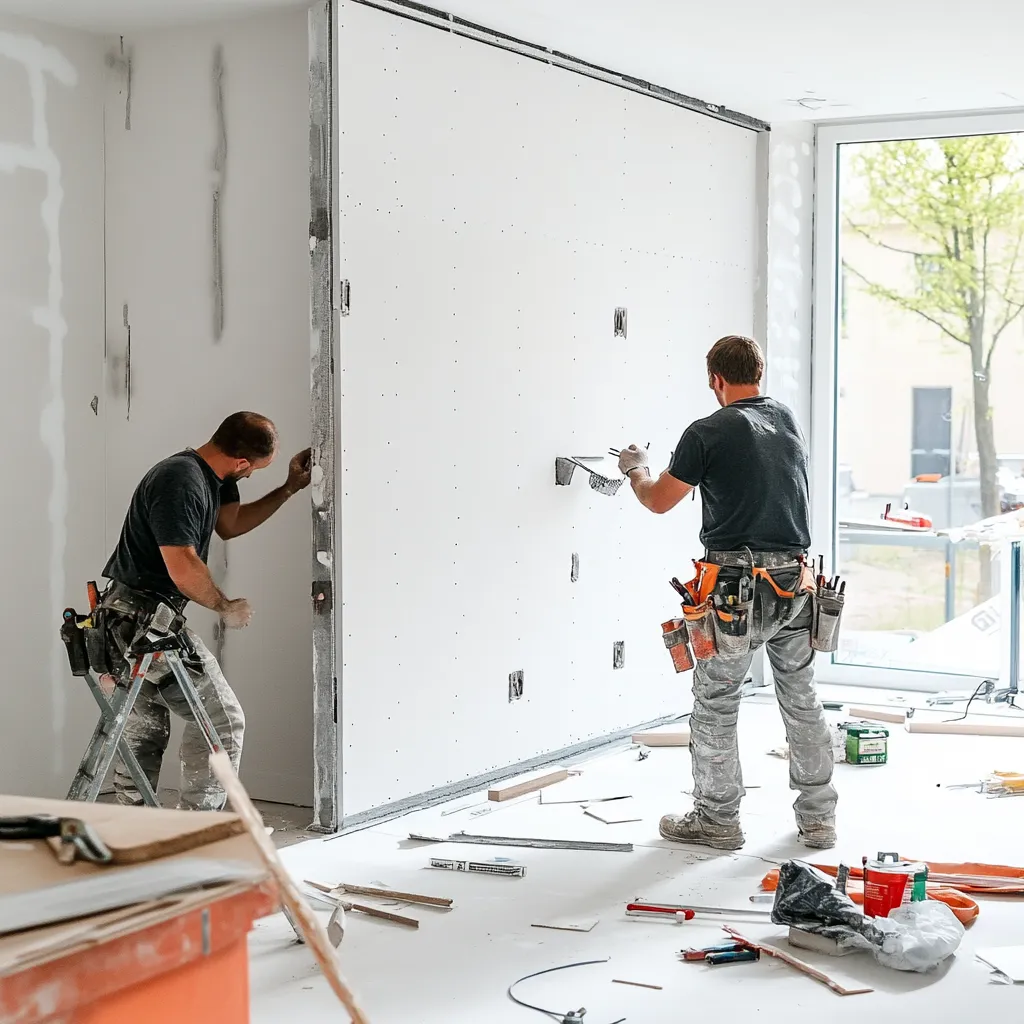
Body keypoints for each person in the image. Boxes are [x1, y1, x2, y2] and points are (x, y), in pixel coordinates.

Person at [617, 335, 837, 851]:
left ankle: (717, 821)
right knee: (802, 700)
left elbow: (657, 501)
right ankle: (819, 822)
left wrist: (636, 469)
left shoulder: (707, 431)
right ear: (757, 373)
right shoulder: (785, 420)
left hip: (736, 591)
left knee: (716, 702)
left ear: (715, 379)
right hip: (795, 584)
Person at [99, 411, 312, 811]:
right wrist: (224, 606)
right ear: (241, 462)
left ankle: (137, 827)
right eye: (254, 471)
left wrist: (289, 488)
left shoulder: (216, 479)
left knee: (144, 731)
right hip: (139, 619)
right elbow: (181, 566)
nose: (250, 478)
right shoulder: (179, 480)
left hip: (135, 620)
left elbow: (229, 524)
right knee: (223, 721)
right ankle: (196, 829)